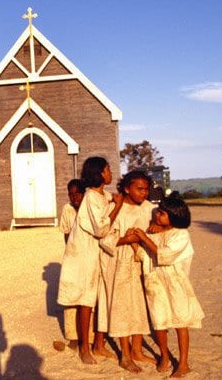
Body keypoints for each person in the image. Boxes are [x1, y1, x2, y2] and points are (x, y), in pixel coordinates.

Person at [129, 193, 204, 377]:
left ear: (174, 217)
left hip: (176, 284)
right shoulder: (154, 232)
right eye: (158, 212)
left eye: (162, 213)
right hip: (155, 281)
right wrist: (136, 242)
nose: (157, 215)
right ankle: (164, 355)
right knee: (159, 321)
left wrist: (144, 238)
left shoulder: (181, 235)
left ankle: (184, 362)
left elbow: (165, 255)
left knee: (180, 321)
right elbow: (146, 256)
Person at [57, 156, 123, 364]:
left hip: (94, 255)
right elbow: (102, 229)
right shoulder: (90, 198)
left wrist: (113, 199)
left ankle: (99, 345)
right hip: (83, 257)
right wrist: (118, 205)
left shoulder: (100, 195)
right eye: (107, 168)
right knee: (85, 302)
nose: (110, 172)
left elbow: (106, 204)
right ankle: (84, 348)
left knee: (97, 298)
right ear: (99, 174)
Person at [98, 171, 156, 372]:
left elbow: (158, 233)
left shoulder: (150, 209)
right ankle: (125, 354)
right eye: (139, 189)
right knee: (123, 306)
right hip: (120, 262)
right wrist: (125, 240)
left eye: (146, 189)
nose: (144, 193)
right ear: (126, 188)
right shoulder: (116, 208)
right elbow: (103, 237)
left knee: (140, 306)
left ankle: (137, 350)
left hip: (142, 262)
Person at [57, 179, 85, 350]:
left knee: (88, 298)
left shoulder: (89, 208)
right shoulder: (67, 209)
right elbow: (66, 233)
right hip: (73, 257)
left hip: (89, 256)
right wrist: (70, 254)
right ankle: (73, 335)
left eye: (77, 193)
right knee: (70, 296)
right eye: (71, 194)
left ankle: (89, 336)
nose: (74, 197)